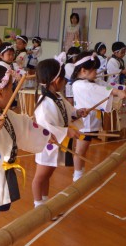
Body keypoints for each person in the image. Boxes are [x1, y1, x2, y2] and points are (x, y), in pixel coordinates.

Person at [0, 65, 53, 244]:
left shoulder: (3, 115)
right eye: (11, 88)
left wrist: (49, 136)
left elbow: (25, 126)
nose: (13, 91)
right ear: (0, 93)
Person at [71, 51, 126, 181]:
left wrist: (124, 88)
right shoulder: (79, 85)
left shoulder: (92, 81)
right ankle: (77, 176)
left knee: (83, 149)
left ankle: (79, 174)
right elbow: (98, 90)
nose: (97, 72)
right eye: (94, 69)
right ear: (83, 71)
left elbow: (106, 85)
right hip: (84, 124)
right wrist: (117, 92)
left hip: (92, 122)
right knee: (80, 150)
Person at [31, 59, 85, 208]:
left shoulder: (58, 97)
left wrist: (78, 113)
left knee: (47, 175)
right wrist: (66, 131)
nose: (65, 83)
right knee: (40, 177)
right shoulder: (44, 103)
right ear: (56, 81)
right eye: (64, 80)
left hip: (58, 143)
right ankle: (38, 207)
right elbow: (44, 127)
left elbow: (69, 112)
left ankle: (45, 204)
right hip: (47, 145)